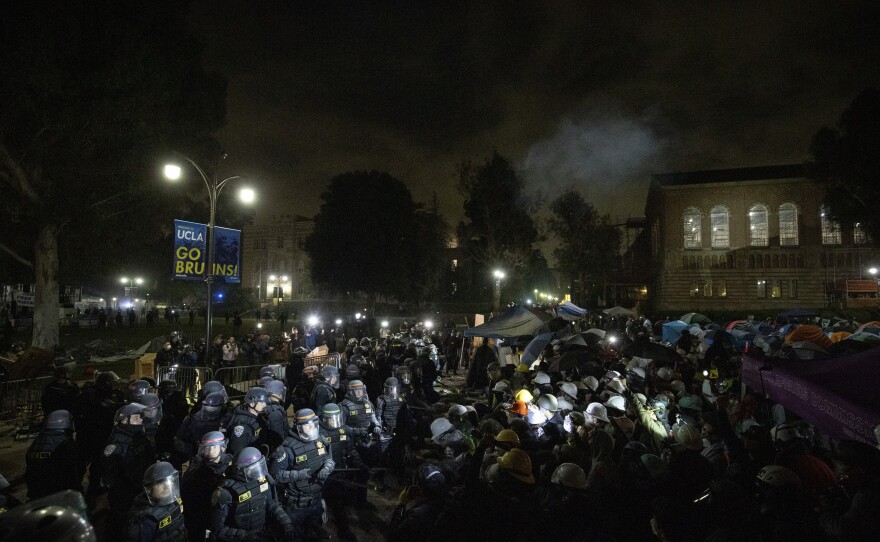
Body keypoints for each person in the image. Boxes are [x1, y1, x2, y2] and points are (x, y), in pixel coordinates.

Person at [269, 409, 335, 540]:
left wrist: (326, 469)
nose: (311, 427)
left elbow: (330, 460)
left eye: (313, 423)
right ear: (298, 426)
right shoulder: (287, 448)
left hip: (316, 502)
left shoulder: (320, 440)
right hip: (295, 507)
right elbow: (275, 475)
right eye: (307, 424)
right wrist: (299, 475)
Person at [211, 447, 294, 542]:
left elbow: (272, 505)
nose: (259, 471)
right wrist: (244, 536)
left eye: (260, 466)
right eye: (253, 469)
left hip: (262, 533)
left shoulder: (263, 480)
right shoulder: (226, 492)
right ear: (241, 470)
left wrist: (286, 522)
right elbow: (217, 529)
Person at [102, 403, 156, 531]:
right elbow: (111, 472)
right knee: (121, 521)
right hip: (124, 492)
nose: (141, 420)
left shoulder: (138, 437)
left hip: (139, 487)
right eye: (137, 418)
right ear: (125, 420)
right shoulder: (117, 443)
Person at [181, 431, 231, 542]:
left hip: (224, 514)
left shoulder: (230, 464)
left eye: (213, 447)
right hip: (202, 516)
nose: (209, 451)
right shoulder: (196, 469)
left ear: (222, 448)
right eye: (206, 448)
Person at [25, 409, 83, 500]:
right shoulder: (66, 443)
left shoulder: (38, 441)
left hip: (34, 490)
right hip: (56, 492)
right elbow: (72, 472)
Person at [126, 461, 186, 541]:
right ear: (150, 489)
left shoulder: (174, 499)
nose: (167, 487)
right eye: (160, 483)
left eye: (169, 481)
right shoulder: (147, 520)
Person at [173, 391, 227, 464]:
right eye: (208, 408)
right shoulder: (193, 419)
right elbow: (180, 440)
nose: (210, 411)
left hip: (219, 459)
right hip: (198, 459)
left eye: (213, 409)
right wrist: (195, 450)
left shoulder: (227, 419)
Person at [225, 387, 269, 457]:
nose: (265, 405)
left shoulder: (258, 416)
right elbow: (238, 455)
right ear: (252, 404)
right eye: (262, 402)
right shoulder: (242, 427)